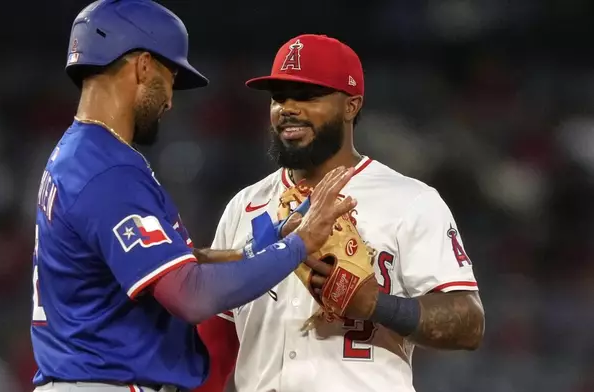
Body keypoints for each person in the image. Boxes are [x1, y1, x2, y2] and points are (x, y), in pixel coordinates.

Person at [30, 3, 356, 392]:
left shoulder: (81, 154)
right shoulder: (108, 172)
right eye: (170, 77)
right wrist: (300, 246)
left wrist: (275, 241)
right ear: (144, 67)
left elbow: (174, 265)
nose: (170, 99)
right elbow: (188, 296)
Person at [195, 34, 486, 392]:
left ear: (351, 106)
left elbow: (469, 324)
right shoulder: (245, 205)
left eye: (307, 96)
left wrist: (376, 305)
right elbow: (219, 338)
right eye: (279, 96)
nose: (288, 108)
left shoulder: (409, 201)